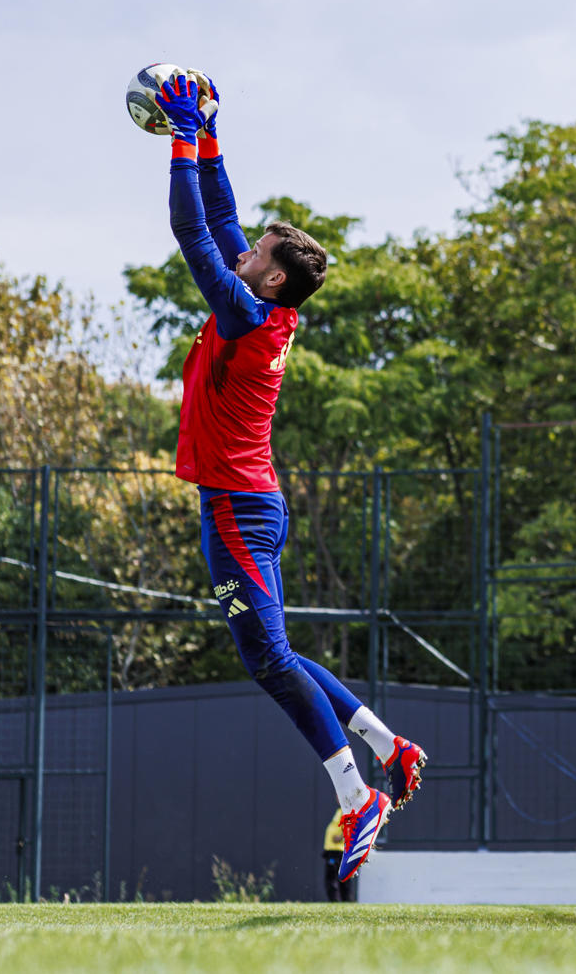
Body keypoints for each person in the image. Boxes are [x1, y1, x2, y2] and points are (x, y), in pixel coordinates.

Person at [155, 73, 426, 886]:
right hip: (252, 500)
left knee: (268, 658)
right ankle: (389, 745)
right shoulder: (268, 301)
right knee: (278, 650)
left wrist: (176, 141)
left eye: (254, 255)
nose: (241, 251)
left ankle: (356, 796)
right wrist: (205, 129)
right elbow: (226, 218)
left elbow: (192, 230)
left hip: (237, 506)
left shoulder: (242, 308)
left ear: (269, 278)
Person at [322, 812, 354, 902]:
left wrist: (340, 837)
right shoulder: (340, 810)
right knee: (340, 877)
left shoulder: (345, 809)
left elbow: (350, 826)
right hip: (333, 851)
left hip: (337, 851)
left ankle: (337, 900)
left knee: (332, 877)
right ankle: (344, 900)